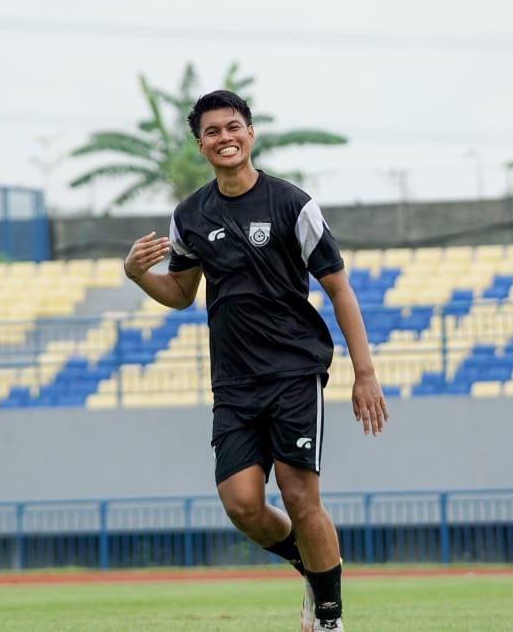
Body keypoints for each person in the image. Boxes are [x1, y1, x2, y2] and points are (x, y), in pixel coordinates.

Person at [123, 90, 389, 631]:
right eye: (212, 132)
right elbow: (180, 293)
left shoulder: (292, 204)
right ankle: (312, 569)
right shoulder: (190, 215)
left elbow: (339, 289)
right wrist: (136, 275)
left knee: (299, 497)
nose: (224, 137)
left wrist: (365, 373)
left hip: (294, 372)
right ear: (201, 145)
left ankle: (330, 620)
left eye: (233, 127)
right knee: (242, 504)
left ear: (250, 133)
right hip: (234, 382)